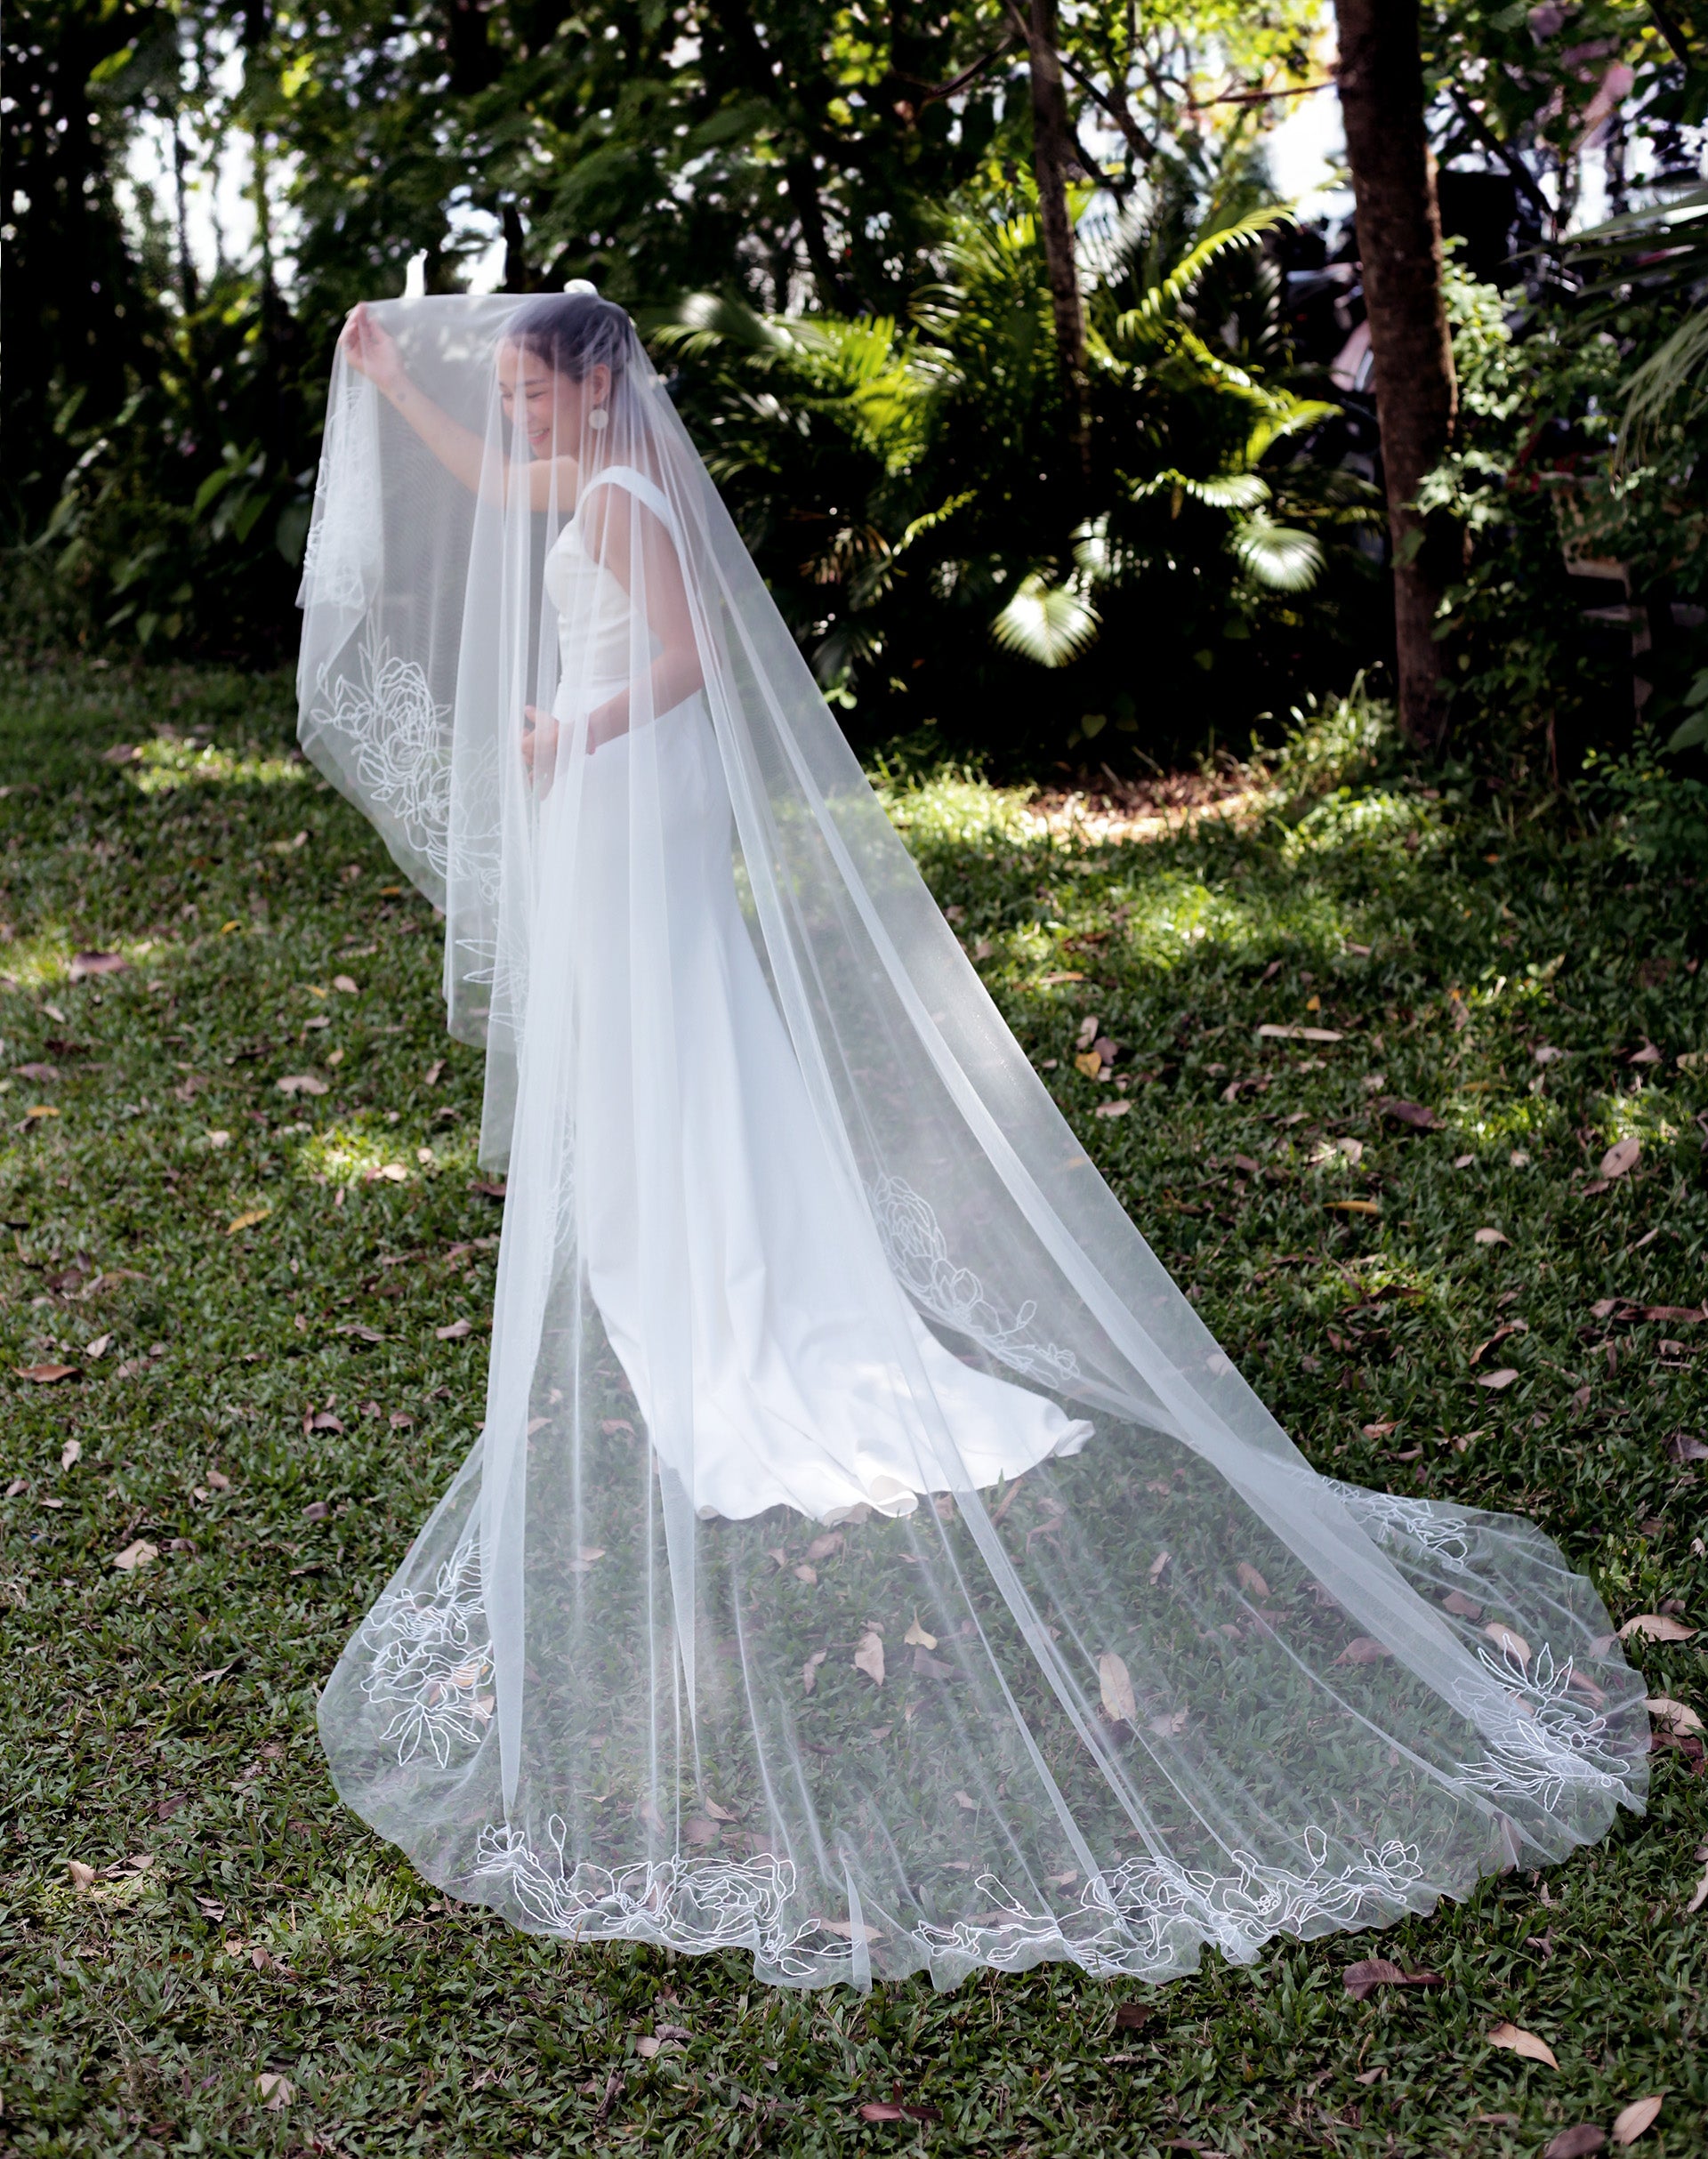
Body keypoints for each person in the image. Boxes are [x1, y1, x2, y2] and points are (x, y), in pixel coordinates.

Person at [300, 286, 1647, 1993]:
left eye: (523, 389)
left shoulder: (633, 504)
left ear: (589, 382)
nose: (514, 417)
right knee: (655, 1050)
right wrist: (392, 394)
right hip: (612, 799)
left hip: (631, 787)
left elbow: (688, 660)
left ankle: (726, 1278)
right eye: (497, 397)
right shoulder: (577, 483)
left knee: (670, 1030)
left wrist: (574, 728)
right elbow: (495, 501)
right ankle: (677, 1243)